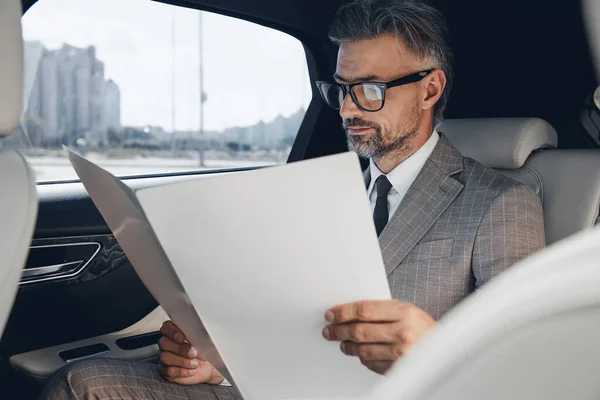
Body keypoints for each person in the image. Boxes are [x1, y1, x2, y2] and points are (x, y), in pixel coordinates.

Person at [41, 0, 545, 398]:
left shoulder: (502, 203)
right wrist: (214, 363)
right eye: (342, 89)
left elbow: (529, 371)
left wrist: (433, 347)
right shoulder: (313, 190)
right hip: (271, 387)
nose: (348, 109)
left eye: (368, 89)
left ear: (431, 88)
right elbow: (279, 318)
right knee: (81, 383)